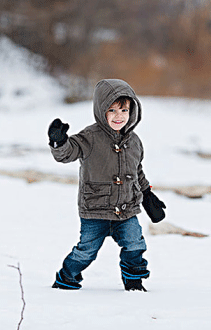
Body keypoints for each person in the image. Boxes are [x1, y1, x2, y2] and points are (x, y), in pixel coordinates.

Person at [48, 79, 166, 291]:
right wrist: (59, 142)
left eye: (124, 109)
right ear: (101, 110)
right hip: (95, 209)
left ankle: (133, 282)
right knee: (87, 251)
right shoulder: (90, 137)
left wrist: (148, 195)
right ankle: (66, 278)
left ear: (133, 110)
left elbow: (136, 171)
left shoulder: (135, 141)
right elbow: (69, 153)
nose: (119, 116)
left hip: (126, 210)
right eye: (112, 110)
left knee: (135, 244)